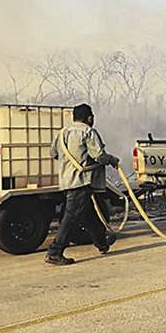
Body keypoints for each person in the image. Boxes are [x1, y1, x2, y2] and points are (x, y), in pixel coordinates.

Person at [47, 103, 120, 266]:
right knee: (71, 218)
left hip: (67, 181)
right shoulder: (88, 132)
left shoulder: (62, 133)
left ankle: (102, 243)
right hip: (82, 181)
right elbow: (100, 156)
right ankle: (54, 252)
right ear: (90, 118)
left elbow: (53, 153)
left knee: (88, 215)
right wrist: (112, 160)